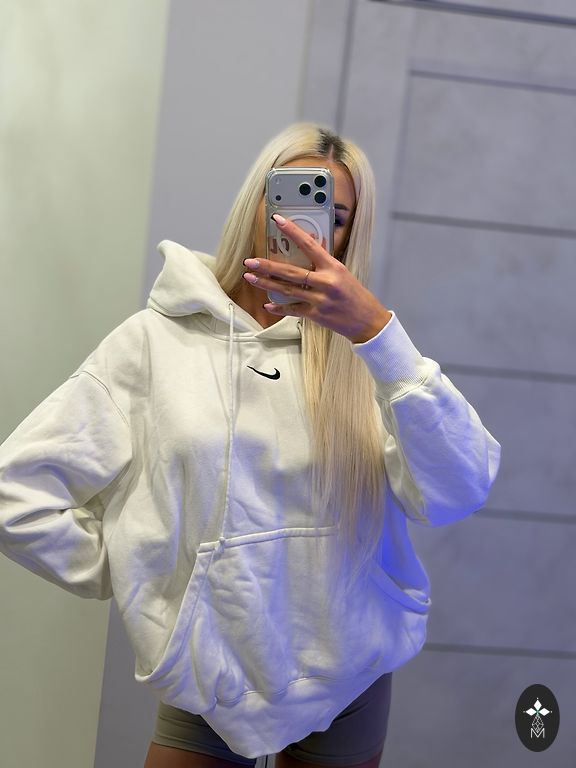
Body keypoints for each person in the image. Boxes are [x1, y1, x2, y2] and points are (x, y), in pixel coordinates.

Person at [0, 123, 501, 768]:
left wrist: (378, 336)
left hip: (351, 668)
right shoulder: (154, 343)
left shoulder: (367, 357)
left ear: (348, 236)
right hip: (211, 675)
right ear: (254, 205)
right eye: (288, 198)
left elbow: (460, 489)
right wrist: (150, 578)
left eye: (334, 216)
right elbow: (17, 494)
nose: (303, 226)